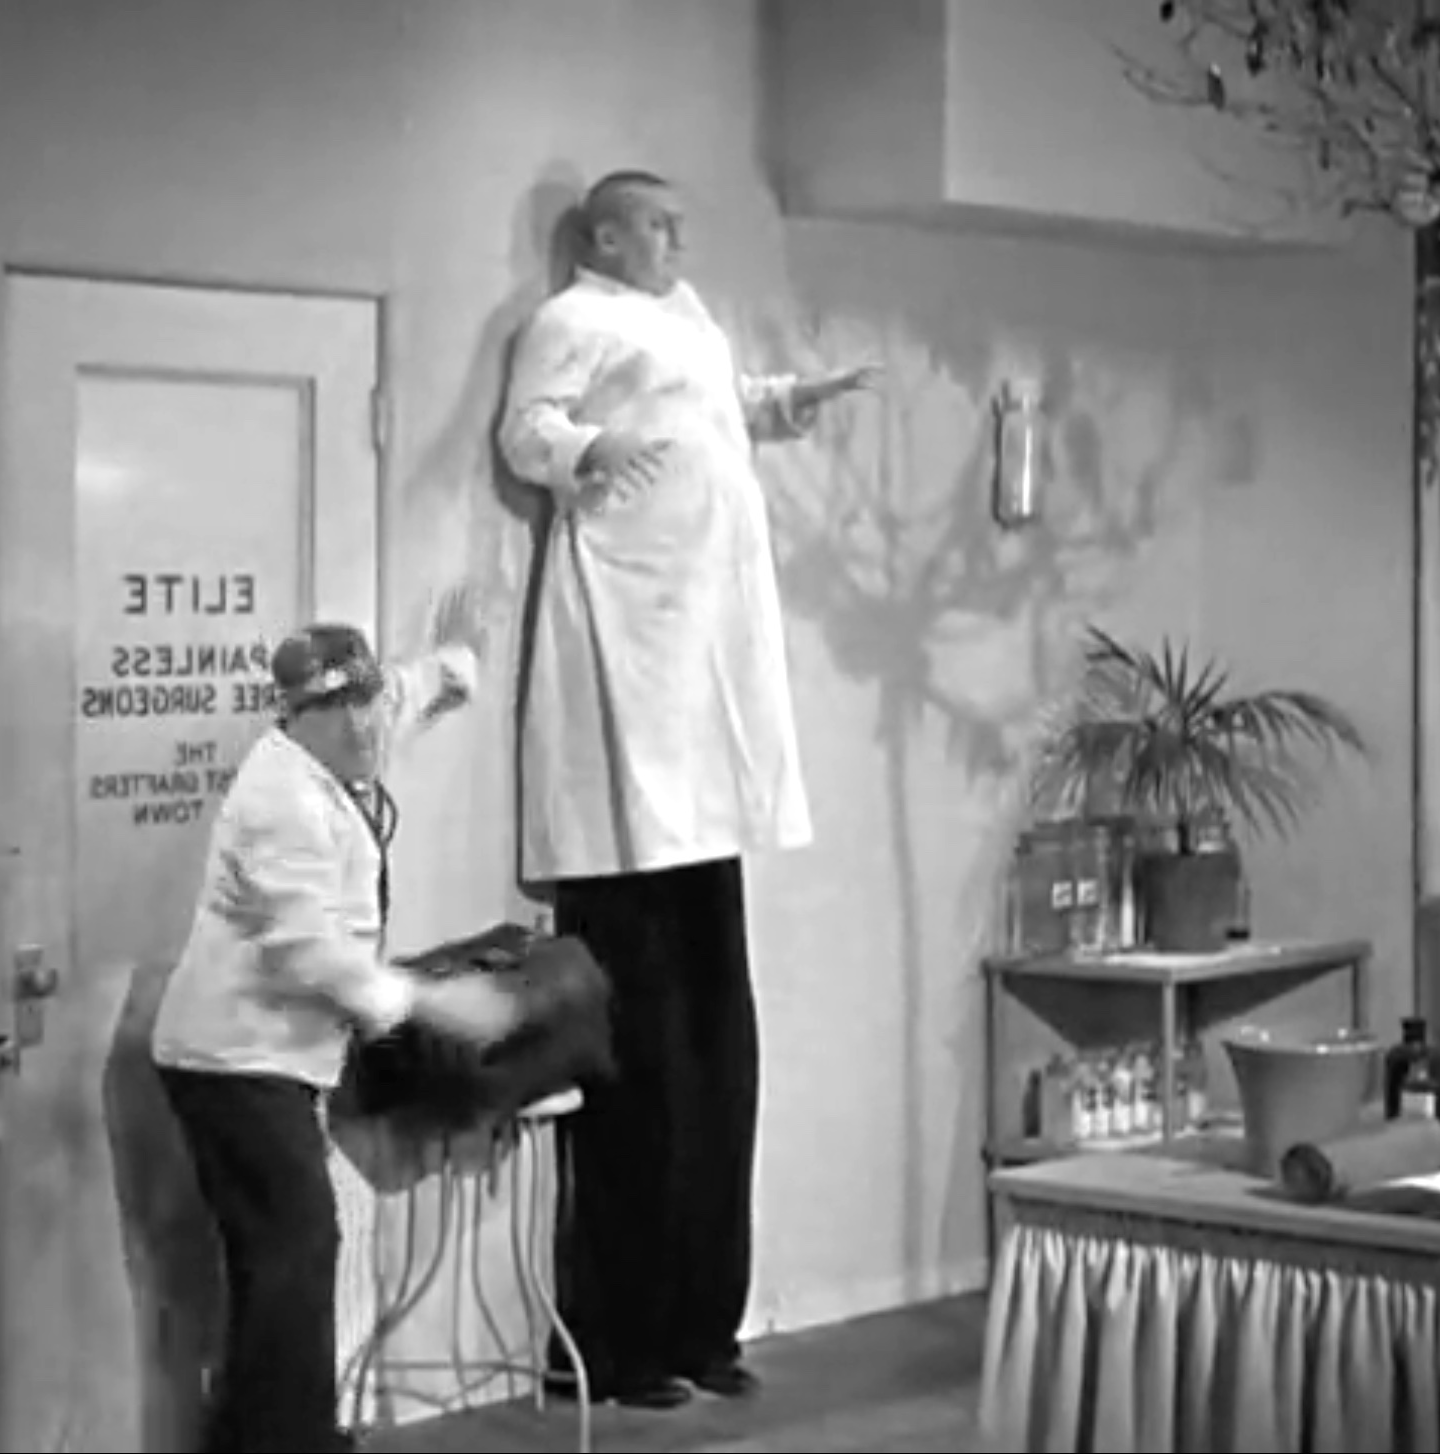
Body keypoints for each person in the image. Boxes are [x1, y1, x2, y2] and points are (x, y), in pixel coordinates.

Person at [498, 169, 876, 1409]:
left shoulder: (687, 316)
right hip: (633, 632)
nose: (676, 239)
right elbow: (524, 431)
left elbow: (712, 407)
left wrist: (784, 400)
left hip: (706, 650)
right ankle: (616, 1338)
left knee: (718, 1041)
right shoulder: (569, 319)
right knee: (642, 1043)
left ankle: (704, 1314)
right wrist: (584, 447)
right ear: (604, 234)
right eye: (656, 224)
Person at [151, 589, 518, 1454]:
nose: (362, 724)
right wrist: (429, 1002)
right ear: (293, 715)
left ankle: (274, 1435)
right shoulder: (279, 799)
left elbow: (404, 695)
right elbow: (306, 950)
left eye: (364, 701)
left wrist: (456, 659)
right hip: (232, 1061)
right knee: (294, 1248)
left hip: (269, 1056)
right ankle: (288, 1440)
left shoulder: (344, 741)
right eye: (339, 709)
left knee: (285, 1254)